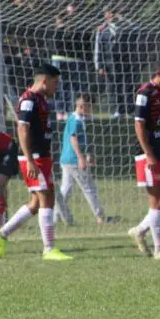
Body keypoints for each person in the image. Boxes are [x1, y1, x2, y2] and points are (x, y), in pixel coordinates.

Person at [0, 64, 72, 261]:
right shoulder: (28, 100)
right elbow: (22, 129)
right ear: (44, 81)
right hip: (32, 158)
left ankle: (1, 234)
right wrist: (29, 160)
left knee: (37, 202)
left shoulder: (41, 100)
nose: (57, 87)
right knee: (46, 197)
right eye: (55, 82)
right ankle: (49, 248)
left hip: (41, 157)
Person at [127, 56, 160, 260]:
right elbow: (139, 125)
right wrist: (148, 154)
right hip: (148, 153)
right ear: (157, 74)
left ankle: (140, 229)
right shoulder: (144, 93)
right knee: (157, 201)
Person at [55, 94, 118, 226]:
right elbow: (73, 139)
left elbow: (80, 140)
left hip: (66, 160)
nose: (91, 111)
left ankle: (55, 217)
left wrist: (86, 154)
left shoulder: (76, 119)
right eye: (90, 108)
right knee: (89, 188)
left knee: (65, 190)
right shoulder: (75, 120)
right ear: (82, 106)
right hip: (73, 161)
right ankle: (100, 217)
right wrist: (80, 158)